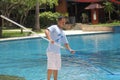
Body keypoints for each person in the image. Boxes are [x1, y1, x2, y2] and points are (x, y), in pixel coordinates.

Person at [45, 16, 75, 80]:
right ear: (58, 21)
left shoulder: (62, 32)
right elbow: (46, 31)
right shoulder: (54, 27)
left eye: (64, 22)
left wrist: (70, 49)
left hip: (57, 52)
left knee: (56, 68)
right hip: (51, 51)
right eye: (62, 22)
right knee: (51, 67)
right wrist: (50, 39)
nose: (63, 23)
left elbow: (65, 43)